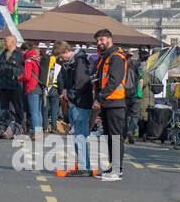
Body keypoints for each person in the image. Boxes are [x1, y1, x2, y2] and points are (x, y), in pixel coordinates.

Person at [92, 29, 128, 181]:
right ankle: (112, 166)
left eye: (101, 40)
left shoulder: (116, 57)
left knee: (115, 137)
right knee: (108, 136)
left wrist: (99, 98)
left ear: (109, 39)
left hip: (115, 102)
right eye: (98, 41)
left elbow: (114, 81)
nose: (99, 44)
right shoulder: (105, 57)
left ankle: (117, 170)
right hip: (109, 102)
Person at [55, 41, 95, 177]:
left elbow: (81, 81)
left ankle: (84, 167)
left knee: (80, 136)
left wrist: (71, 95)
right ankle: (84, 165)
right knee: (79, 135)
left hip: (80, 102)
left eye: (61, 57)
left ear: (66, 51)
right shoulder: (72, 62)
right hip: (77, 102)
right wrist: (66, 89)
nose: (60, 60)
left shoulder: (78, 61)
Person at [0, 34, 24, 128]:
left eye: (6, 41)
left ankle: (20, 126)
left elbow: (23, 69)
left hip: (15, 85)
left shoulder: (19, 54)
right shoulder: (3, 53)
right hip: (4, 85)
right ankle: (5, 126)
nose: (4, 42)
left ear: (13, 42)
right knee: (4, 108)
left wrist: (16, 75)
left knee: (18, 107)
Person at [21, 42, 44, 140]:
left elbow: (27, 76)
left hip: (31, 87)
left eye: (22, 51)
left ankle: (36, 133)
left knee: (33, 112)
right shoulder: (37, 59)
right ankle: (39, 133)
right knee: (38, 112)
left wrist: (18, 78)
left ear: (26, 50)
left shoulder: (28, 61)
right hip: (39, 87)